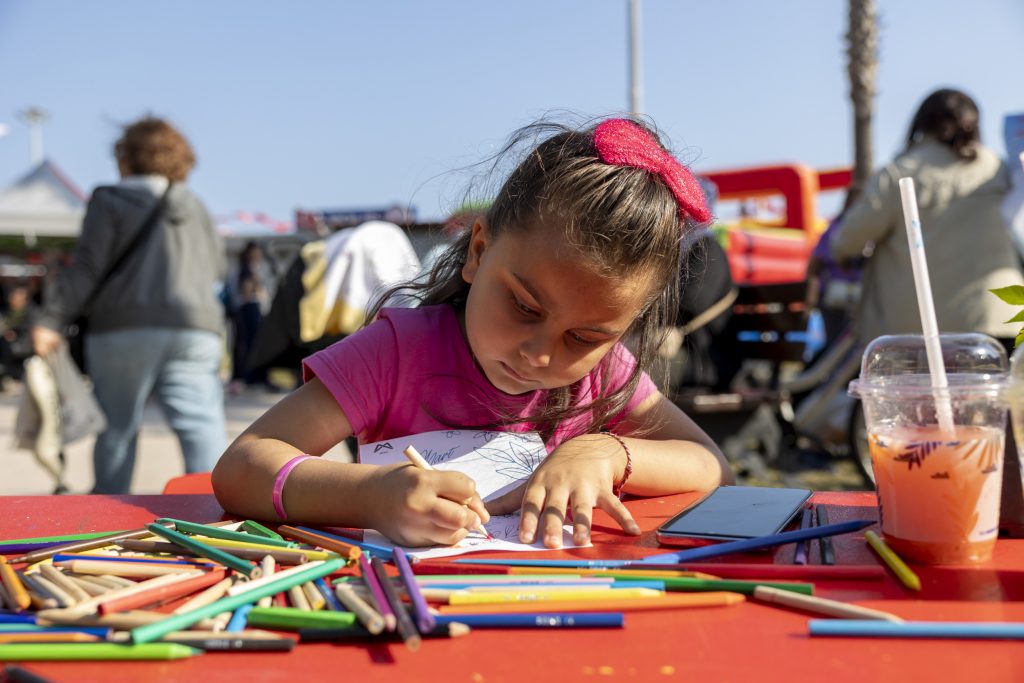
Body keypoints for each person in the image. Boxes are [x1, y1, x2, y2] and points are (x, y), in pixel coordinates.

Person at [213, 117, 733, 549]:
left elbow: (711, 465)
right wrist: (369, 496)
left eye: (584, 337)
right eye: (524, 306)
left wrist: (607, 453)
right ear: (479, 251)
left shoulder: (606, 369)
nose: (539, 354)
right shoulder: (398, 352)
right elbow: (241, 467)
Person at [31, 116, 228, 494]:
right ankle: (215, 508)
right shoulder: (196, 206)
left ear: (128, 157)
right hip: (195, 327)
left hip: (125, 327)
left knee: (118, 427)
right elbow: (216, 267)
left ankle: (108, 513)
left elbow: (88, 267)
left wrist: (51, 319)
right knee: (201, 425)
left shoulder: (110, 199)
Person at [830, 88, 1024, 346]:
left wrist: (841, 256)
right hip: (1001, 322)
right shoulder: (1004, 171)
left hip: (920, 334)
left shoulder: (900, 174)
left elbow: (847, 240)